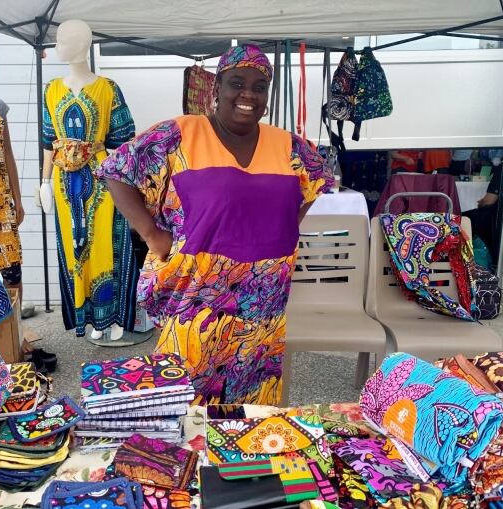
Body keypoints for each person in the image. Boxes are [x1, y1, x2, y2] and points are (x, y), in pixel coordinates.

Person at [97, 44, 334, 405]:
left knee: (253, 411)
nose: (248, 94)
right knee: (184, 399)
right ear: (216, 89)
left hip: (264, 307)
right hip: (197, 298)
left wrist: (283, 226)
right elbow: (116, 170)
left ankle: (245, 463)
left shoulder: (290, 147)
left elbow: (315, 183)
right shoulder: (181, 134)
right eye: (236, 83)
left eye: (259, 87)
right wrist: (151, 234)